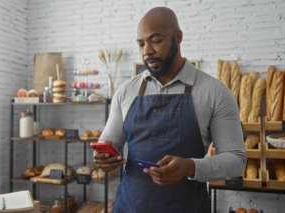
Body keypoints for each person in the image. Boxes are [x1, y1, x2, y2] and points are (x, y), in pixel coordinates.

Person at [94, 6, 246, 213]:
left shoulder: (215, 92)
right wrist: (105, 158)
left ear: (178, 37)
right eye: (141, 44)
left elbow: (236, 161)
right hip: (129, 206)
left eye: (156, 41)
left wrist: (191, 167)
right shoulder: (125, 91)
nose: (147, 51)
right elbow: (109, 143)